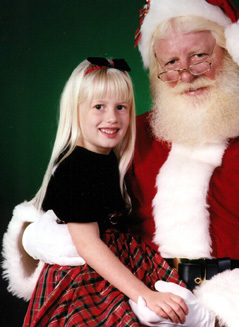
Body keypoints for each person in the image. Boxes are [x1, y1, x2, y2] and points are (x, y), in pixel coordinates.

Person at [5, 0, 239, 327]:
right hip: (139, 296)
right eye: (170, 63)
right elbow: (85, 210)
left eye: (200, 57)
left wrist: (213, 318)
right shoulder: (131, 135)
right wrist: (38, 236)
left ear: (231, 53)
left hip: (229, 309)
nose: (185, 74)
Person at [3, 57, 190, 327]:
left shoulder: (104, 157)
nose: (112, 118)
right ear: (75, 110)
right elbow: (88, 245)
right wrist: (144, 294)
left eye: (121, 107)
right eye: (99, 107)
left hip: (115, 262)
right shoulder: (76, 167)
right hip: (86, 277)